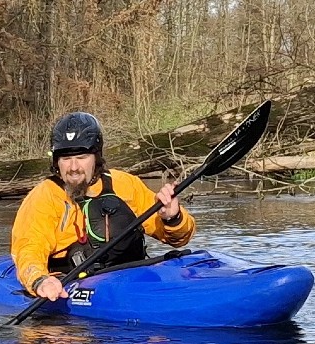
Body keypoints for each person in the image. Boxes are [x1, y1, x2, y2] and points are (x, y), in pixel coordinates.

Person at [11, 111, 194, 300]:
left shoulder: (125, 185)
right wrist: (40, 280)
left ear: (96, 157)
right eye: (65, 158)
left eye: (81, 157)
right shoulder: (45, 196)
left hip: (132, 279)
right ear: (56, 162)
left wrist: (173, 218)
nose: (73, 167)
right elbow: (29, 248)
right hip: (74, 282)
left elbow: (179, 240)